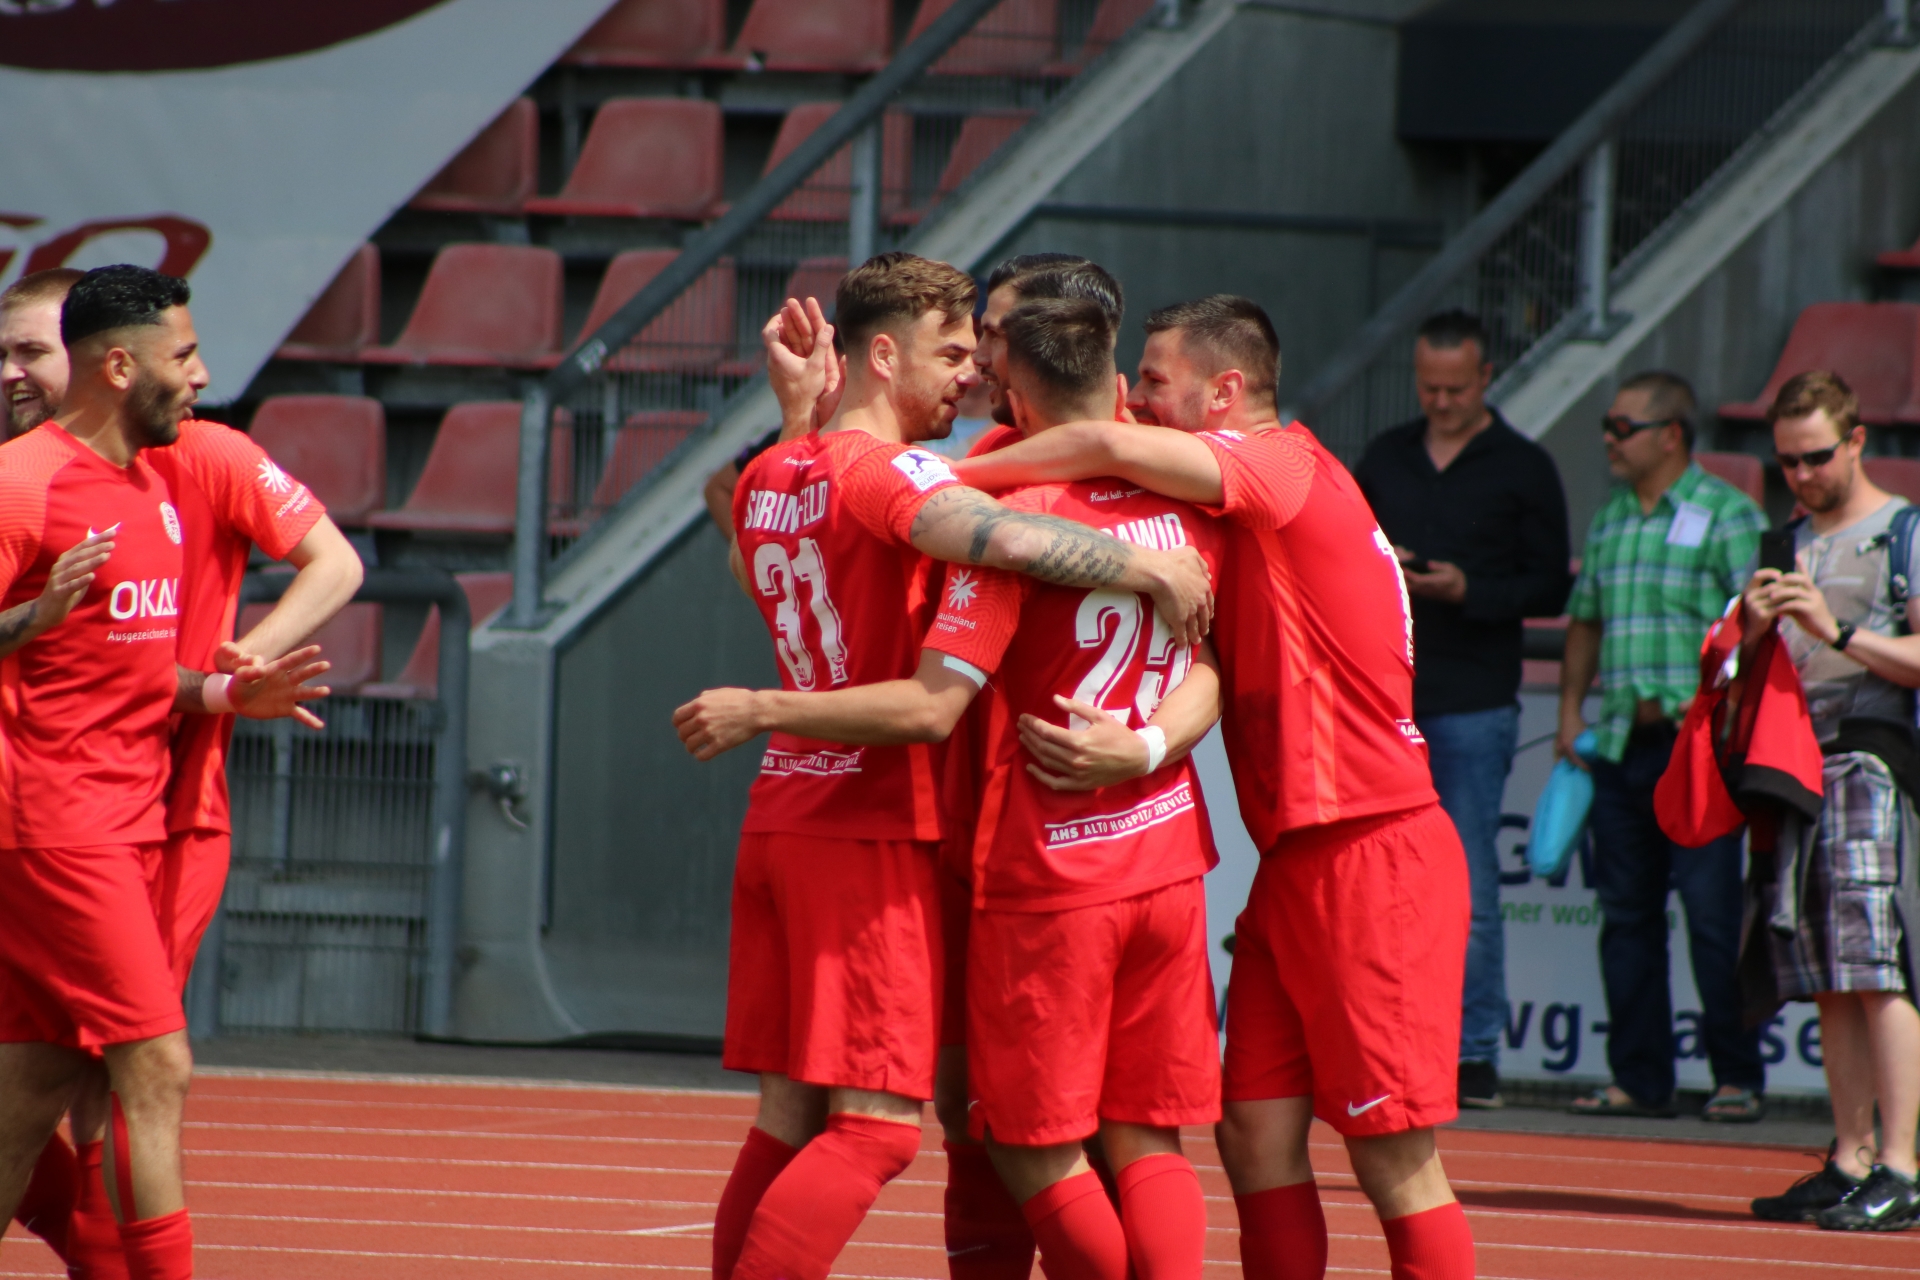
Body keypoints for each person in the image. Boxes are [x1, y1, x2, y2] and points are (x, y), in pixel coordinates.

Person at [675, 252, 1211, 1280]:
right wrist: (1145, 562)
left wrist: (796, 418)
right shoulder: (908, 475)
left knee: (791, 1113)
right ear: (883, 355)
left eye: (983, 351)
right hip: (880, 829)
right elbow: (995, 548)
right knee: (883, 1130)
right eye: (952, 351)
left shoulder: (777, 470)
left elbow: (759, 565)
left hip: (790, 815)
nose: (970, 374)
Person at [954, 294, 1476, 1280]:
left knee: (1395, 1156)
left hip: (1372, 848)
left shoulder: (1274, 463)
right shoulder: (1231, 501)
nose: (1143, 402)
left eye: (1157, 382)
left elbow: (1095, 444)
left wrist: (928, 482)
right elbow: (1213, 665)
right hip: (1298, 857)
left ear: (1226, 389)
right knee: (1252, 1137)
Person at [0, 266, 364, 1274]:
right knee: (153, 1064)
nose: (202, 375)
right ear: (119, 365)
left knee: (37, 1082)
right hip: (60, 821)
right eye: (187, 355)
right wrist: (34, 617)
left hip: (138, 814)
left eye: (30, 350)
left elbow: (130, 667)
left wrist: (225, 688)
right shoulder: (27, 480)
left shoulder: (160, 481)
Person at [1355, 309, 1572, 1109]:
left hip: (1474, 698)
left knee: (1471, 885)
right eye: (1428, 387)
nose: (1441, 402)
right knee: (1379, 886)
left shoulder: (1523, 466)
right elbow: (1343, 552)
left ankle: (1473, 1051)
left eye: (1454, 388)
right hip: (1386, 700)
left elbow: (1550, 586)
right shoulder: (1386, 455)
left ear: (1486, 378)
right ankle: (1386, 1049)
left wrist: (1468, 590)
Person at [1557, 371, 1768, 1122]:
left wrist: (1724, 703)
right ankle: (1640, 1080)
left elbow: (1760, 625)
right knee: (1626, 918)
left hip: (1698, 750)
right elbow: (1585, 620)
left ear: (1672, 434)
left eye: (1623, 427)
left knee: (1712, 918)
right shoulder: (1612, 517)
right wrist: (1570, 710)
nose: (1609, 440)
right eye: (1608, 426)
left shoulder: (1728, 514)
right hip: (1621, 746)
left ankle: (1736, 1077)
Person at [1742, 371, 1920, 1230]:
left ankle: (1901, 1166)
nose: (1802, 475)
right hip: (1796, 768)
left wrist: (1836, 630)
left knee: (1878, 969)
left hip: (1872, 760)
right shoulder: (1785, 538)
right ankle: (1850, 1157)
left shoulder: (1903, 532)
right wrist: (1747, 630)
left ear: (1855, 441)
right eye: (1786, 462)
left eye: (1815, 457)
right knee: (1828, 979)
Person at [0, 267, 83, 440]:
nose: (7, 374)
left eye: (32, 352)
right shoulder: (11, 458)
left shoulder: (145, 455)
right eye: (3, 356)